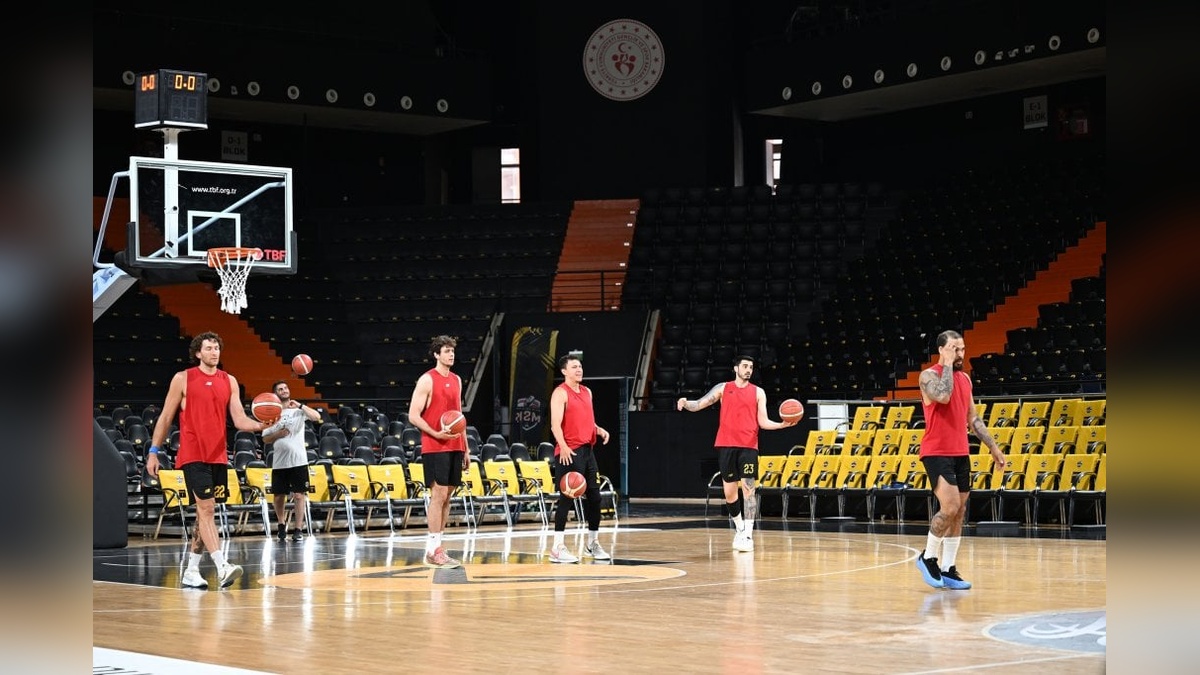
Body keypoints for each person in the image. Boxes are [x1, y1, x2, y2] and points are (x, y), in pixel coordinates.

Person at [145, 332, 266, 589]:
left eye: (217, 348)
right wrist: (154, 451)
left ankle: (191, 570)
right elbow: (166, 417)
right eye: (209, 348)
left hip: (218, 455)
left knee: (204, 515)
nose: (214, 352)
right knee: (208, 509)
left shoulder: (229, 380)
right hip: (193, 454)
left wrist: (265, 426)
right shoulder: (183, 378)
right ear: (198, 353)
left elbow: (240, 421)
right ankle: (222, 566)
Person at [914, 330, 1007, 590]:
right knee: (950, 505)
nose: (960, 354)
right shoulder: (928, 376)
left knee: (959, 513)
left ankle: (948, 569)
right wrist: (945, 364)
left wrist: (993, 447)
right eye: (955, 349)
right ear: (942, 350)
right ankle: (928, 556)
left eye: (962, 349)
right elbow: (942, 396)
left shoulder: (965, 378)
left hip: (960, 451)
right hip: (936, 451)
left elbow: (973, 419)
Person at [676, 354, 797, 552]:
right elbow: (700, 404)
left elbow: (763, 422)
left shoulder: (759, 392)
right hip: (726, 445)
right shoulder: (723, 388)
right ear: (736, 368)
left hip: (749, 446)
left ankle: (748, 534)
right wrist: (685, 402)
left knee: (749, 489)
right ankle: (739, 527)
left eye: (751, 367)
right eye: (745, 366)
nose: (749, 370)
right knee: (730, 492)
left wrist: (782, 424)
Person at [407, 335, 468, 568]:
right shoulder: (426, 380)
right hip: (434, 445)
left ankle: (437, 547)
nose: (451, 354)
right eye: (445, 351)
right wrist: (435, 433)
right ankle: (433, 549)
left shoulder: (457, 379)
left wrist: (466, 448)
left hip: (455, 445)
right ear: (436, 355)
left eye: (452, 350)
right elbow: (413, 415)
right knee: (438, 495)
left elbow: (459, 416)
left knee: (447, 497)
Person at [547, 354, 611, 563]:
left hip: (587, 451)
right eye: (574, 367)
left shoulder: (587, 392)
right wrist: (563, 446)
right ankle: (557, 548)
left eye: (580, 366)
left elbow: (585, 420)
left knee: (595, 498)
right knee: (566, 498)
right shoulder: (560, 393)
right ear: (564, 371)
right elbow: (555, 424)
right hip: (569, 452)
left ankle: (592, 544)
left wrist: (598, 429)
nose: (579, 369)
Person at [261, 380, 322, 542]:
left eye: (286, 388)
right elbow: (266, 439)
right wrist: (277, 435)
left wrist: (301, 406)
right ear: (276, 394)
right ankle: (281, 525)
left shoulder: (298, 411)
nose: (284, 390)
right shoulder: (271, 413)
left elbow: (317, 417)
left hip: (299, 460)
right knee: (279, 496)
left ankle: (298, 529)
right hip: (280, 462)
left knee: (299, 495)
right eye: (280, 389)